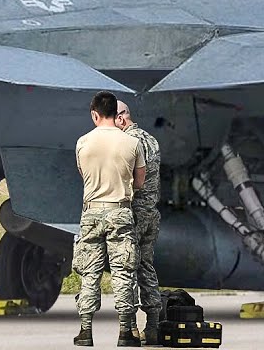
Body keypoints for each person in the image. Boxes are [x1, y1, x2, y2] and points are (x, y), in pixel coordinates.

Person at [74, 91, 145, 347]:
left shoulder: (83, 142)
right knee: (123, 271)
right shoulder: (132, 144)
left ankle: (85, 331)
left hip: (91, 212)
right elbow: (139, 181)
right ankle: (126, 332)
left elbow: (83, 174)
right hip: (121, 211)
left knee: (90, 272)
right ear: (117, 114)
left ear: (95, 114)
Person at [116, 101, 162, 345]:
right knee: (145, 266)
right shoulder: (151, 140)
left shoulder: (128, 143)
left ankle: (131, 327)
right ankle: (153, 326)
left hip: (133, 212)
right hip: (151, 213)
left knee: (126, 267)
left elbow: (131, 180)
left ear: (121, 119)